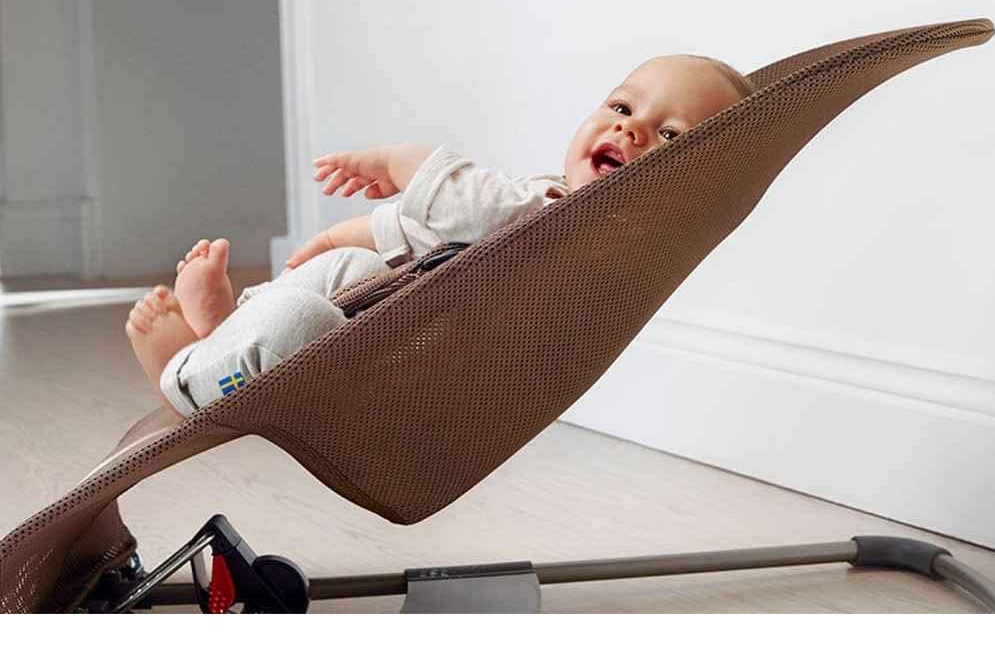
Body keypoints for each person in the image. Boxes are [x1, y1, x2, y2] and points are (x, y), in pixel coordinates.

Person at [125, 54, 754, 415]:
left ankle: (184, 377)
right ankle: (230, 328)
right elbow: (446, 236)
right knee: (351, 271)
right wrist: (351, 234)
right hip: (394, 325)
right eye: (621, 108)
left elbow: (486, 213)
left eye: (670, 136)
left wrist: (407, 163)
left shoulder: (599, 234)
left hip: (409, 385)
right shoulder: (547, 199)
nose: (630, 130)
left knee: (300, 324)